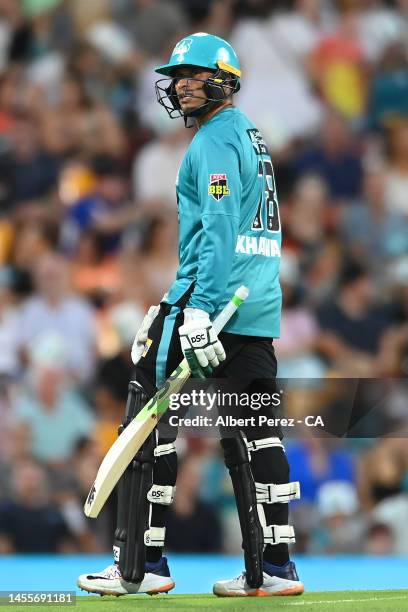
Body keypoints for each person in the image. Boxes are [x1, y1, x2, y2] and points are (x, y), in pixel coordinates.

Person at [78, 32, 304, 598]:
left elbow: (221, 227)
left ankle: (140, 565)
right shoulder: (250, 135)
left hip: (207, 303)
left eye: (194, 74)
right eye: (176, 76)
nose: (181, 85)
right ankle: (272, 569)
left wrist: (196, 312)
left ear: (223, 79)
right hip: (254, 306)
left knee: (146, 418)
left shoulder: (213, 143)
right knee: (254, 433)